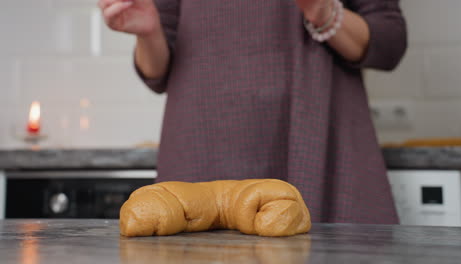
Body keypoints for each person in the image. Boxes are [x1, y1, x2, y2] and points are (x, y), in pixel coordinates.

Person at [99, 0, 407, 224]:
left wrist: (324, 12)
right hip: (200, 144)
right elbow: (157, 73)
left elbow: (390, 40)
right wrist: (148, 32)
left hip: (315, 140)